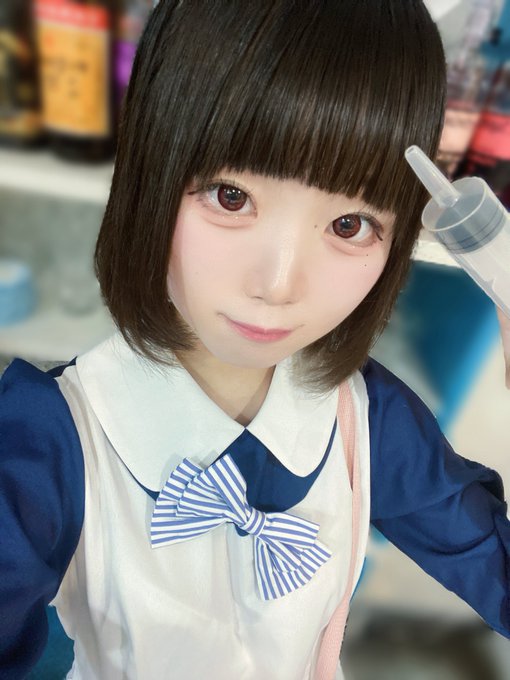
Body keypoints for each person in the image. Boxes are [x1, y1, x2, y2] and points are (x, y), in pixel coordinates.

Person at [1, 1, 509, 678]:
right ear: (150, 171)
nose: (278, 284)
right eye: (231, 197)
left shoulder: (369, 420)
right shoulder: (48, 437)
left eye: (350, 225)